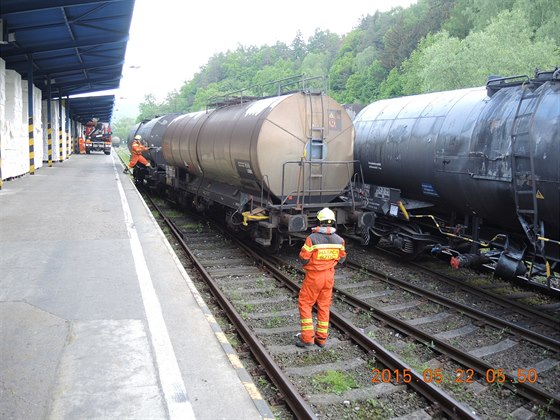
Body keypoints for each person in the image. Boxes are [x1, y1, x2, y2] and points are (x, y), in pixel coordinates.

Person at [295, 207, 346, 348]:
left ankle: (307, 338)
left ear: (319, 222)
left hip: (314, 277)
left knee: (305, 304)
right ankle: (321, 339)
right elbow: (342, 259)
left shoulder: (312, 239)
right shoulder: (339, 240)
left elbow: (304, 258)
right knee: (324, 307)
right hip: (329, 277)